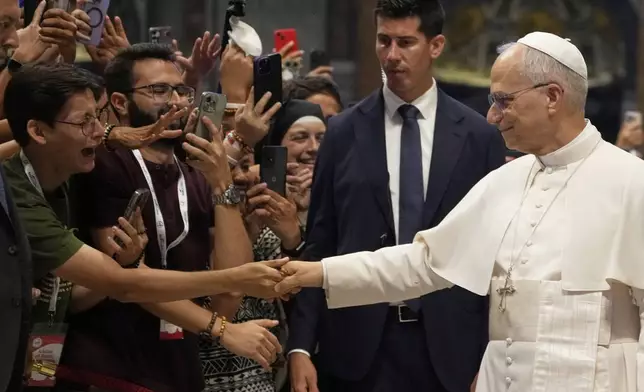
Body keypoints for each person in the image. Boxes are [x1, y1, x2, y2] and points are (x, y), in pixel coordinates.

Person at [277, 31, 644, 392]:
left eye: (503, 100)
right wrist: (317, 273)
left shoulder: (631, 182)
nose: (491, 116)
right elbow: (424, 263)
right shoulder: (506, 181)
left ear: (552, 96)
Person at [286, 1, 506, 392]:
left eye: (406, 42)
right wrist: (300, 346)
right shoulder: (341, 132)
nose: (392, 55)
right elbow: (320, 242)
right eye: (383, 40)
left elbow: (493, 254)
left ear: (435, 45)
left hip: (451, 347)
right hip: (358, 343)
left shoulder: (478, 136)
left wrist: (490, 355)